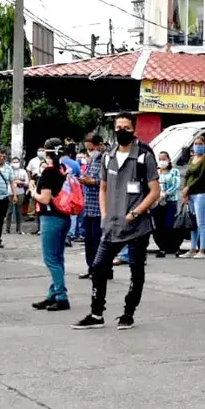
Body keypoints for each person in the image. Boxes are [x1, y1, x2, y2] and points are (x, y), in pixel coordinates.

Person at [72, 112, 160, 331]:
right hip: (112, 224)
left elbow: (154, 192)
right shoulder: (108, 156)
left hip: (137, 225)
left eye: (126, 127)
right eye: (118, 127)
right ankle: (96, 313)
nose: (121, 131)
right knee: (99, 266)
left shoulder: (144, 156)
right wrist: (104, 214)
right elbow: (103, 187)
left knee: (136, 269)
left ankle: (128, 313)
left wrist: (136, 213)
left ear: (134, 130)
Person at [30, 138, 72, 312]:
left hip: (51, 217)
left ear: (47, 152)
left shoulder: (48, 172)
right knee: (58, 258)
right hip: (64, 217)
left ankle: (61, 297)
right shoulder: (63, 169)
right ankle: (52, 295)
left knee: (51, 259)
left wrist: (33, 192)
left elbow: (45, 198)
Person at [179, 136, 205, 259]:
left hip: (200, 194)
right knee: (192, 224)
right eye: (196, 144)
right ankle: (192, 248)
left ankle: (202, 249)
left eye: (200, 144)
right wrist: (185, 189)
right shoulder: (192, 158)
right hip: (191, 194)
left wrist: (189, 187)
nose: (198, 146)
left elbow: (202, 177)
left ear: (204, 145)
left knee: (201, 223)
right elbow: (187, 174)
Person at [79, 134, 106, 280]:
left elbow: (107, 181)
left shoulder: (105, 160)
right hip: (88, 208)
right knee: (89, 242)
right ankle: (91, 268)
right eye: (88, 149)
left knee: (99, 242)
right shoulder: (91, 160)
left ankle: (102, 270)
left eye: (92, 148)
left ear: (99, 145)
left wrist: (93, 182)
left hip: (99, 209)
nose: (90, 151)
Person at [154, 151, 181, 258]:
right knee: (159, 226)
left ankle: (176, 248)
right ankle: (162, 248)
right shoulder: (156, 172)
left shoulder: (174, 171)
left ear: (169, 159)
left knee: (170, 224)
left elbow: (176, 184)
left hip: (170, 201)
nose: (162, 161)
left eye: (164, 159)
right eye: (160, 159)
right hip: (157, 202)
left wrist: (165, 193)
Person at [8, 156, 28, 235]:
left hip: (20, 192)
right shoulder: (9, 171)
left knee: (19, 211)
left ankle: (19, 229)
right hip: (10, 192)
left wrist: (20, 182)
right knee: (9, 211)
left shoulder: (23, 171)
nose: (15, 164)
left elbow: (27, 182)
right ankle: (7, 229)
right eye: (14, 162)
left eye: (17, 162)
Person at [26, 148, 46, 220]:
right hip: (35, 179)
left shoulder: (47, 160)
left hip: (44, 179)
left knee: (43, 195)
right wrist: (30, 180)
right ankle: (31, 214)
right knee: (32, 197)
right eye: (39, 151)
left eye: (42, 151)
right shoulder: (33, 160)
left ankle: (42, 211)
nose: (41, 152)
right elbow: (28, 170)